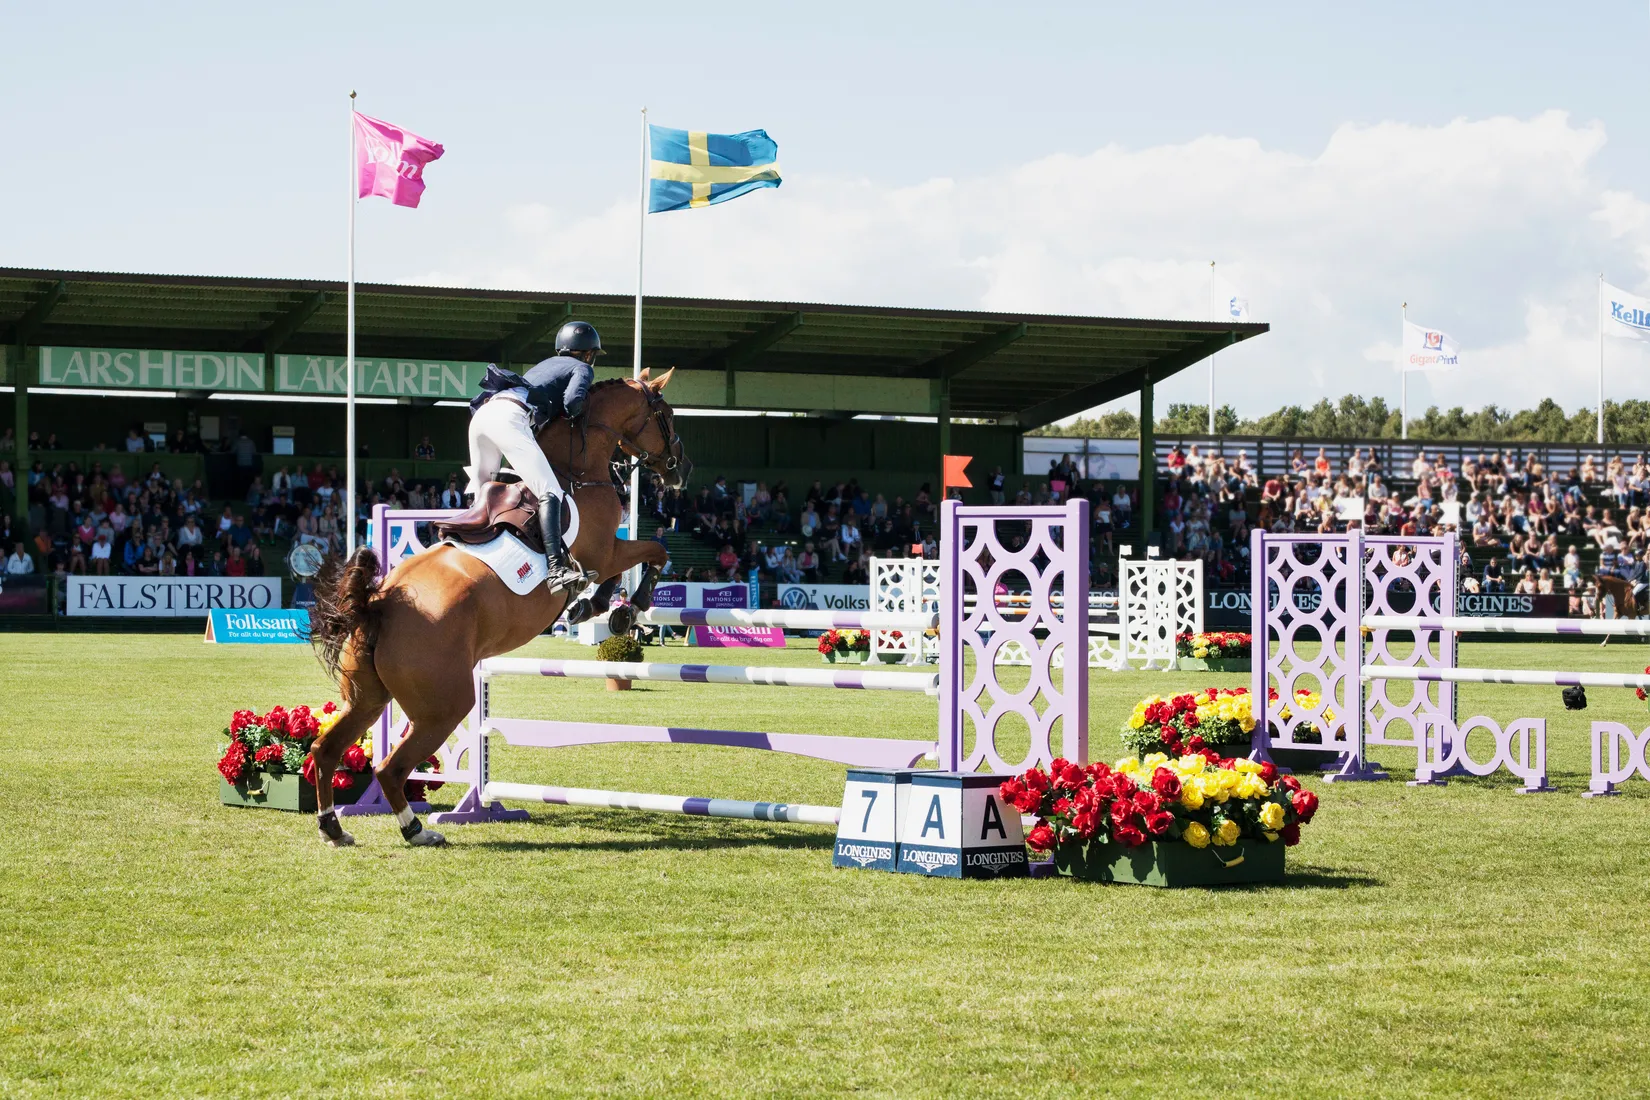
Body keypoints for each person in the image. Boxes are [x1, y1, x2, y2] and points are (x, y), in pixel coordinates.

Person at [464, 321, 602, 593]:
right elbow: (574, 401)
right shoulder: (581, 368)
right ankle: (557, 570)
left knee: (481, 490)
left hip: (483, 413)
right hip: (510, 417)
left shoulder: (546, 364)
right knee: (549, 490)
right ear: (588, 354)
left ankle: (465, 545)